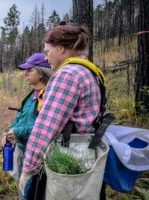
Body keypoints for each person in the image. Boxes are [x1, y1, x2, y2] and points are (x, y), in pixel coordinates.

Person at [20, 24, 106, 199]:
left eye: (47, 51)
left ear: (60, 48)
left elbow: (45, 128)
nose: (46, 56)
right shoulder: (90, 72)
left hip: (66, 161)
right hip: (87, 156)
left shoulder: (67, 75)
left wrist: (28, 169)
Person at [1, 53, 52, 200]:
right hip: (22, 149)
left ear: (41, 73)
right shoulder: (31, 96)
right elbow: (20, 117)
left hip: (38, 156)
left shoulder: (48, 95)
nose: (25, 74)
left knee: (34, 192)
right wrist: (8, 132)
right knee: (22, 189)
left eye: (30, 70)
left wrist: (17, 131)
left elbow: (44, 127)